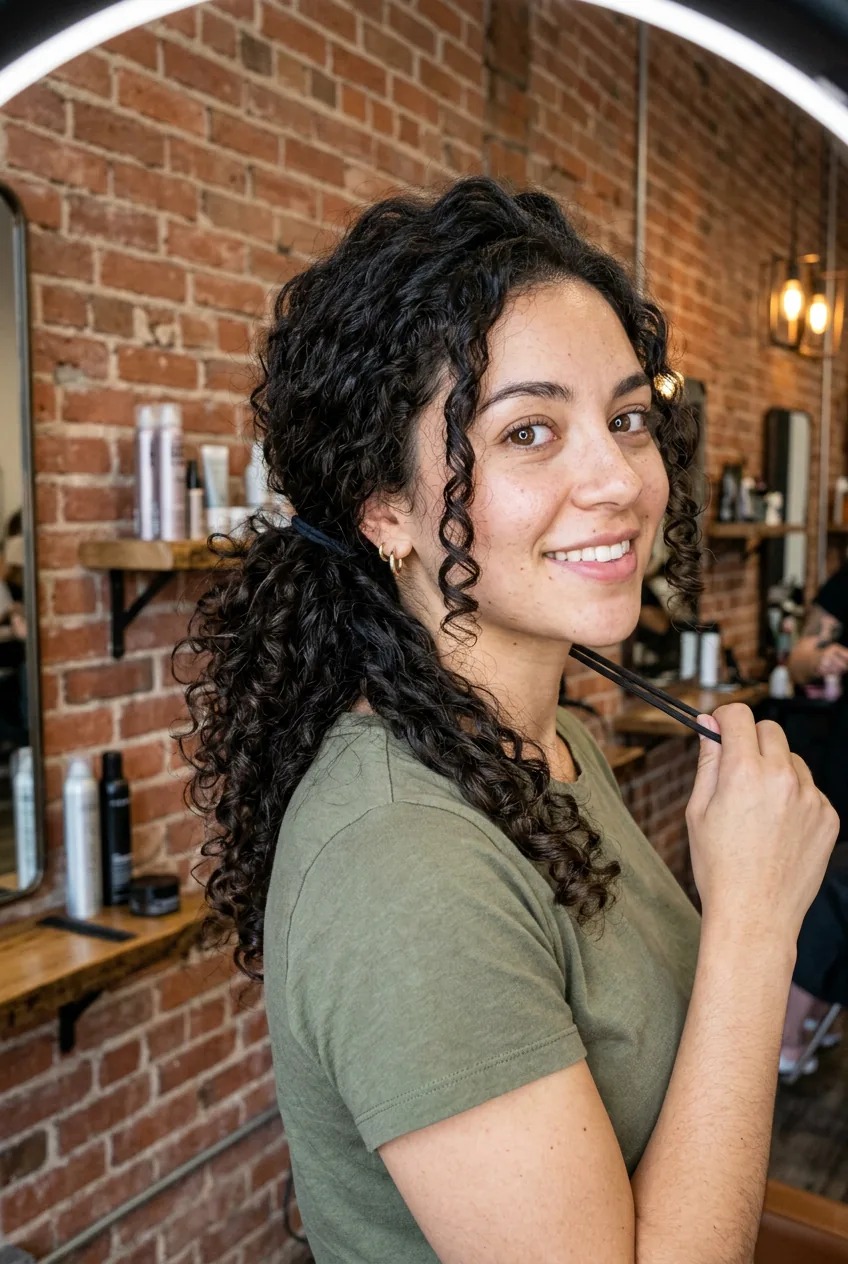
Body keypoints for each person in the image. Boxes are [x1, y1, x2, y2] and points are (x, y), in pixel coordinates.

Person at [182, 179, 837, 1264]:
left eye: (627, 418)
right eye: (529, 429)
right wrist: (757, 924)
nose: (619, 477)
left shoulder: (550, 741)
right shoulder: (401, 864)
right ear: (384, 507)